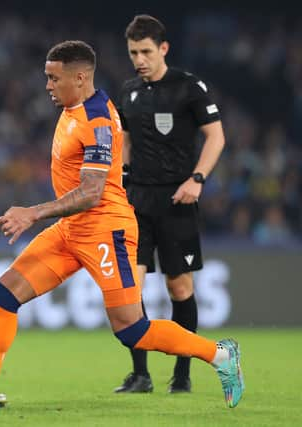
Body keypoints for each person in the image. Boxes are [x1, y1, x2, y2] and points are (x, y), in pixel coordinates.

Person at [0, 40, 243, 410]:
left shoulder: (95, 121)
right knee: (2, 294)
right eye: (47, 77)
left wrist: (33, 212)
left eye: (53, 78)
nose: (47, 85)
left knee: (132, 330)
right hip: (71, 231)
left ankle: (220, 354)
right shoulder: (75, 106)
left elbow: (93, 191)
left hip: (106, 231)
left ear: (79, 78)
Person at [114, 14, 227, 394]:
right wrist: (123, 177)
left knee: (179, 288)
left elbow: (216, 137)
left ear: (164, 49)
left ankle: (182, 374)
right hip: (137, 202)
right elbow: (125, 142)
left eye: (146, 51)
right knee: (131, 290)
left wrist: (197, 179)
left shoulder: (188, 87)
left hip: (177, 200)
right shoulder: (128, 91)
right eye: (133, 52)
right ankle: (140, 374)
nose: (139, 59)